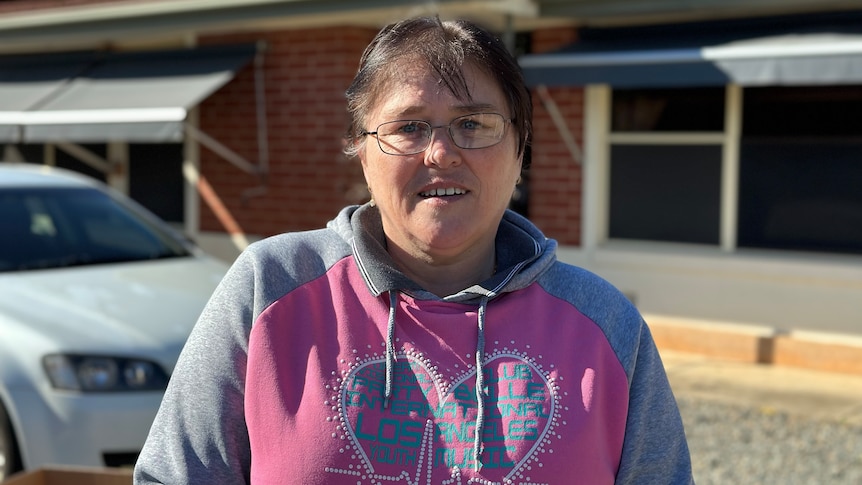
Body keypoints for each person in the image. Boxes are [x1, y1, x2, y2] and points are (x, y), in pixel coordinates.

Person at [134, 16, 693, 485]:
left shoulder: (605, 325)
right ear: (361, 151)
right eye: (409, 127)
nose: (441, 153)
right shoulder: (271, 288)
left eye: (473, 123)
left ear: (521, 152)